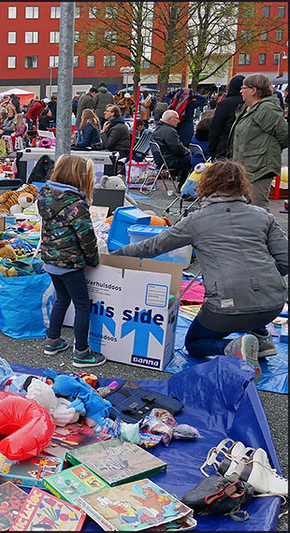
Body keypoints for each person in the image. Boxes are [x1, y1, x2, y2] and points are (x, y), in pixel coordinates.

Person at [112, 161, 287, 377]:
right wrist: (265, 279)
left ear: (206, 185)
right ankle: (261, 337)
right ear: (243, 185)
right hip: (274, 303)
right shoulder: (263, 215)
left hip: (226, 308)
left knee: (194, 343)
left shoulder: (197, 220)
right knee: (253, 306)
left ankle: (234, 347)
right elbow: (286, 260)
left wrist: (113, 257)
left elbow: (152, 246)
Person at [37, 155, 105, 368]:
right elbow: (87, 238)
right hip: (70, 264)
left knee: (61, 299)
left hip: (51, 262)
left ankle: (53, 341)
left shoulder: (46, 196)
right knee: (82, 305)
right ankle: (82, 353)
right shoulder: (76, 205)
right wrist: (93, 260)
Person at [231, 74, 289, 209]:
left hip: (260, 168)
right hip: (247, 167)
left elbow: (284, 135)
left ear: (254, 90)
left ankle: (266, 231)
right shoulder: (247, 109)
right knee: (244, 208)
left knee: (256, 209)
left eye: (244, 88)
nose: (241, 91)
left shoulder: (266, 109)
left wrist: (268, 151)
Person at [152, 110, 192, 189]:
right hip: (169, 160)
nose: (178, 121)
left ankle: (181, 184)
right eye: (176, 118)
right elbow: (176, 148)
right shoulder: (170, 131)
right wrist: (188, 152)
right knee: (191, 161)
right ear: (169, 119)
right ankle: (182, 186)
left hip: (160, 159)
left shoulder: (158, 128)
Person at [207, 75, 244, 160]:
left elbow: (215, 128)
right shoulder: (250, 103)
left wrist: (212, 152)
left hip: (226, 148)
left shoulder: (225, 104)